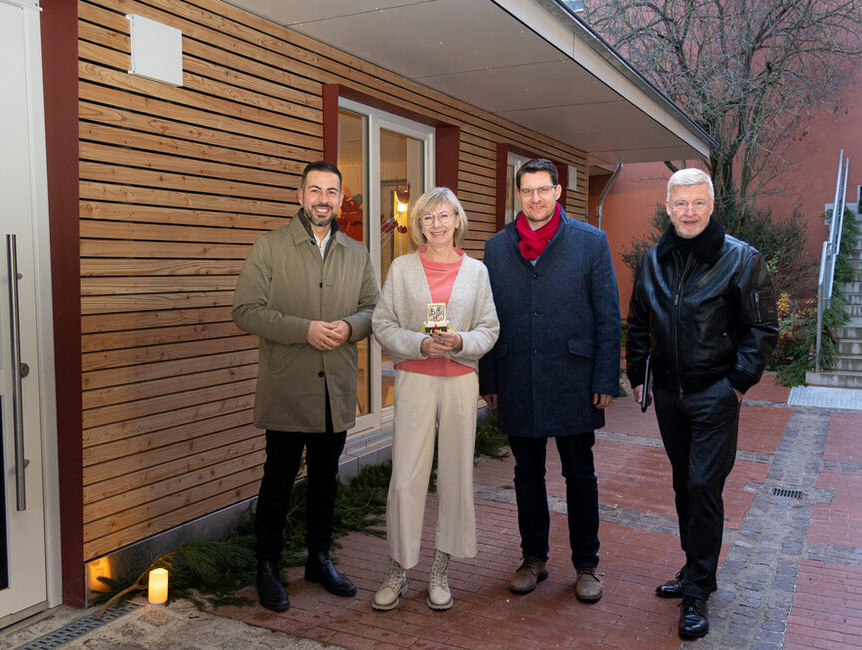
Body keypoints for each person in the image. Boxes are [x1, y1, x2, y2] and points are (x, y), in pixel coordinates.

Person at [625, 168, 778, 639]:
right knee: (683, 487)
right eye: (680, 204)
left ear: (712, 207)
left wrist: (735, 384)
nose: (689, 212)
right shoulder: (654, 259)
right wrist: (637, 374)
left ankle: (698, 590)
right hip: (670, 394)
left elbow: (762, 329)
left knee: (703, 486)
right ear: (667, 208)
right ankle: (695, 570)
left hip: (715, 393)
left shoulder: (741, 259)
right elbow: (635, 323)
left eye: (698, 203)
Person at [232, 161, 380, 612]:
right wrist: (304, 330)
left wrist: (350, 325)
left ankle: (319, 559)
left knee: (325, 482)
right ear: (300, 196)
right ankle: (267, 566)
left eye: (331, 192)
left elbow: (375, 309)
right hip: (287, 389)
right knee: (276, 481)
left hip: (333, 391)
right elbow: (245, 310)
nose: (322, 199)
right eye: (314, 190)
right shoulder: (269, 247)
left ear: (340, 199)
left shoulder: (357, 253)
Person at [479, 158, 621, 605]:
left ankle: (586, 566)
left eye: (543, 189)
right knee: (527, 474)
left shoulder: (590, 242)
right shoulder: (497, 247)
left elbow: (608, 315)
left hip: (575, 379)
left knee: (580, 474)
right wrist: (490, 377)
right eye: (527, 191)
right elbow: (487, 317)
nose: (535, 198)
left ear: (557, 192)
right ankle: (533, 559)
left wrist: (606, 377)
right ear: (517, 195)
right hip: (517, 376)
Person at [371, 188, 499, 611]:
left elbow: (490, 328)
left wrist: (461, 340)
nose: (437, 224)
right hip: (415, 378)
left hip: (461, 380)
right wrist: (416, 344)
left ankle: (439, 571)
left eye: (445, 216)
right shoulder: (402, 268)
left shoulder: (477, 272)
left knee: (456, 476)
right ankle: (397, 570)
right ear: (419, 225)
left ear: (457, 221)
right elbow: (382, 323)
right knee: (406, 477)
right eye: (428, 218)